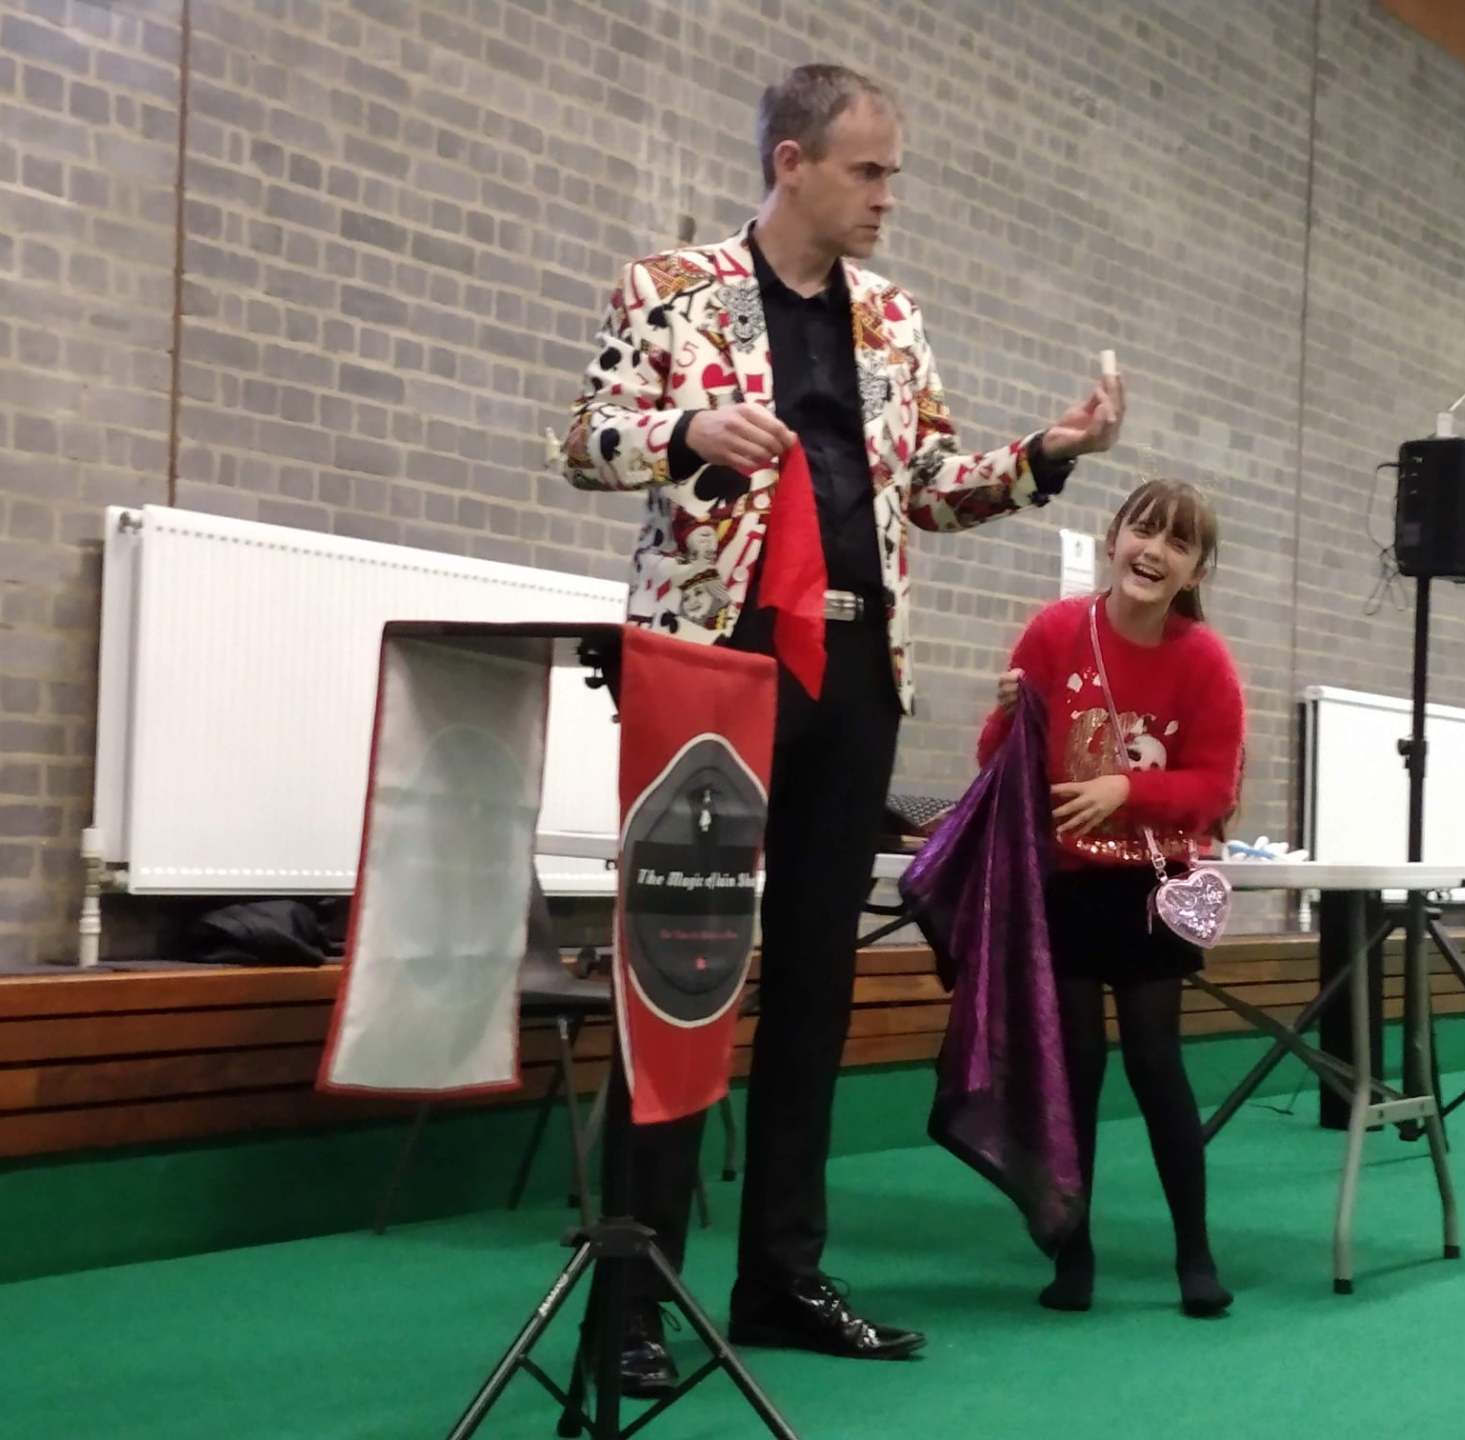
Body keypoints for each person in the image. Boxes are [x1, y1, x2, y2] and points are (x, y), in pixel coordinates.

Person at [561, 63, 1125, 1392]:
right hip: (714, 659)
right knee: (680, 971)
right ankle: (632, 1299)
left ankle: (782, 1280)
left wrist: (1049, 450)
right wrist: (688, 424)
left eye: (894, 175)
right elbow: (585, 440)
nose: (888, 198)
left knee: (816, 981)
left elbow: (928, 487)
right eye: (870, 172)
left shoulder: (893, 317)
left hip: (858, 664)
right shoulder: (668, 291)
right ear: (793, 160)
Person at [976, 478, 1246, 1318]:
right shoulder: (1057, 632)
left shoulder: (1203, 659)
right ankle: (1074, 1251)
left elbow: (1215, 788)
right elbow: (999, 768)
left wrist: (1127, 791)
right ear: (1113, 535)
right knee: (1076, 1070)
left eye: (1178, 543)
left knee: (1156, 1061)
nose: (1154, 551)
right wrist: (1002, 718)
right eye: (1143, 530)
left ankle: (1194, 1253)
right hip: (1063, 883)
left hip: (1151, 881)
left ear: (1197, 568)